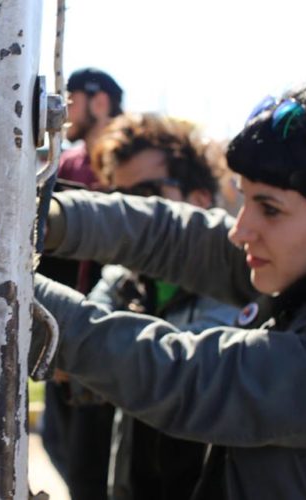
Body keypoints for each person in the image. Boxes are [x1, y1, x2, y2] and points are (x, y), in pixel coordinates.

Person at [33, 74, 306, 499]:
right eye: (245, 198)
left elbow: (184, 379)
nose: (241, 231)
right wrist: (45, 218)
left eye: (270, 209)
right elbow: (176, 236)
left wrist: (14, 294)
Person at [86, 113, 238, 500]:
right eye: (118, 200)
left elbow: (180, 370)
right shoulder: (122, 279)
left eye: (146, 195)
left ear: (200, 199)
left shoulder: (243, 286)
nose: (128, 216)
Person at [36, 67, 124, 499]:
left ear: (100, 101)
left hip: (114, 329)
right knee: (58, 439)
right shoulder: (67, 164)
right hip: (64, 323)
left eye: (72, 99)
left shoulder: (129, 162)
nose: (66, 110)